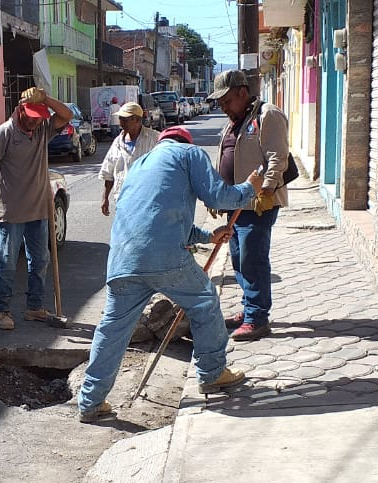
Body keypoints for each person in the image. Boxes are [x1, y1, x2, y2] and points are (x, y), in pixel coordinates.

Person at [76, 126, 264, 423]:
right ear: (183, 142)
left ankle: (90, 402)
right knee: (204, 302)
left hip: (123, 261)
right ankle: (212, 372)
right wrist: (250, 187)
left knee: (112, 330)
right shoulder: (189, 153)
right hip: (165, 258)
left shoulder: (140, 165)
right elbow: (219, 197)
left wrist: (207, 236)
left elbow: (156, 218)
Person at [0, 87, 73, 331]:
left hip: (40, 209)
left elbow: (67, 115)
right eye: (31, 115)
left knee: (40, 260)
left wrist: (46, 98)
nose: (35, 120)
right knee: (8, 263)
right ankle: (2, 311)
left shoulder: (42, 129)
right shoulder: (4, 133)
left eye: (39, 116)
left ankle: (34, 307)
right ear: (20, 109)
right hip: (12, 212)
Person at [209, 69, 291, 342]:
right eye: (219, 102)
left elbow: (277, 157)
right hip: (235, 202)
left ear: (242, 93)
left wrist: (267, 189)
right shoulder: (235, 120)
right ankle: (248, 309)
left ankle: (257, 318)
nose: (222, 106)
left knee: (253, 259)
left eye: (226, 100)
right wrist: (217, 196)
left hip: (258, 203)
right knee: (238, 259)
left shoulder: (267, 115)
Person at [97, 101, 161, 216]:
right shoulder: (117, 142)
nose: (121, 123)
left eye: (125, 119)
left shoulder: (154, 138)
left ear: (137, 120)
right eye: (120, 119)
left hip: (147, 202)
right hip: (123, 201)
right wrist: (104, 198)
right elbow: (109, 172)